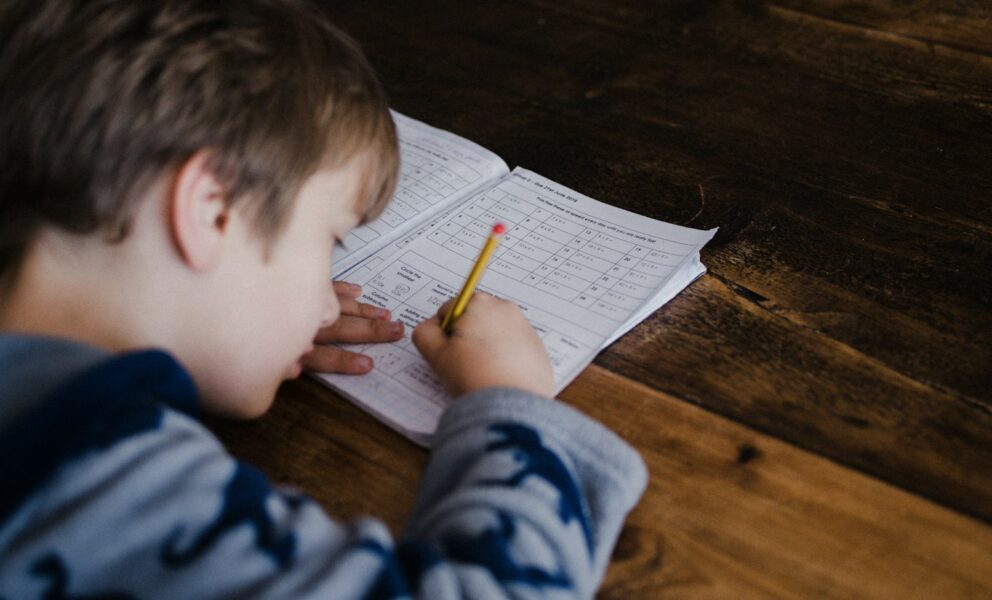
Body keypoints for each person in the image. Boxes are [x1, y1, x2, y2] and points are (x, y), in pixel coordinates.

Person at [0, 1, 647, 598]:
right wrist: (511, 404)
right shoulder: (101, 485)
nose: (330, 307)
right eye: (330, 240)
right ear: (213, 211)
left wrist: (224, 330)